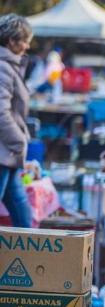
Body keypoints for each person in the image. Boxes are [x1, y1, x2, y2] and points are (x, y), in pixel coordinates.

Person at [0, 14, 33, 228]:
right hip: (4, 153)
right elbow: (1, 112)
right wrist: (19, 142)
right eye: (24, 40)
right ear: (11, 41)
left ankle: (32, 257)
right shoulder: (3, 67)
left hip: (8, 155)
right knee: (22, 213)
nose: (27, 46)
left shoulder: (9, 66)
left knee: (23, 213)